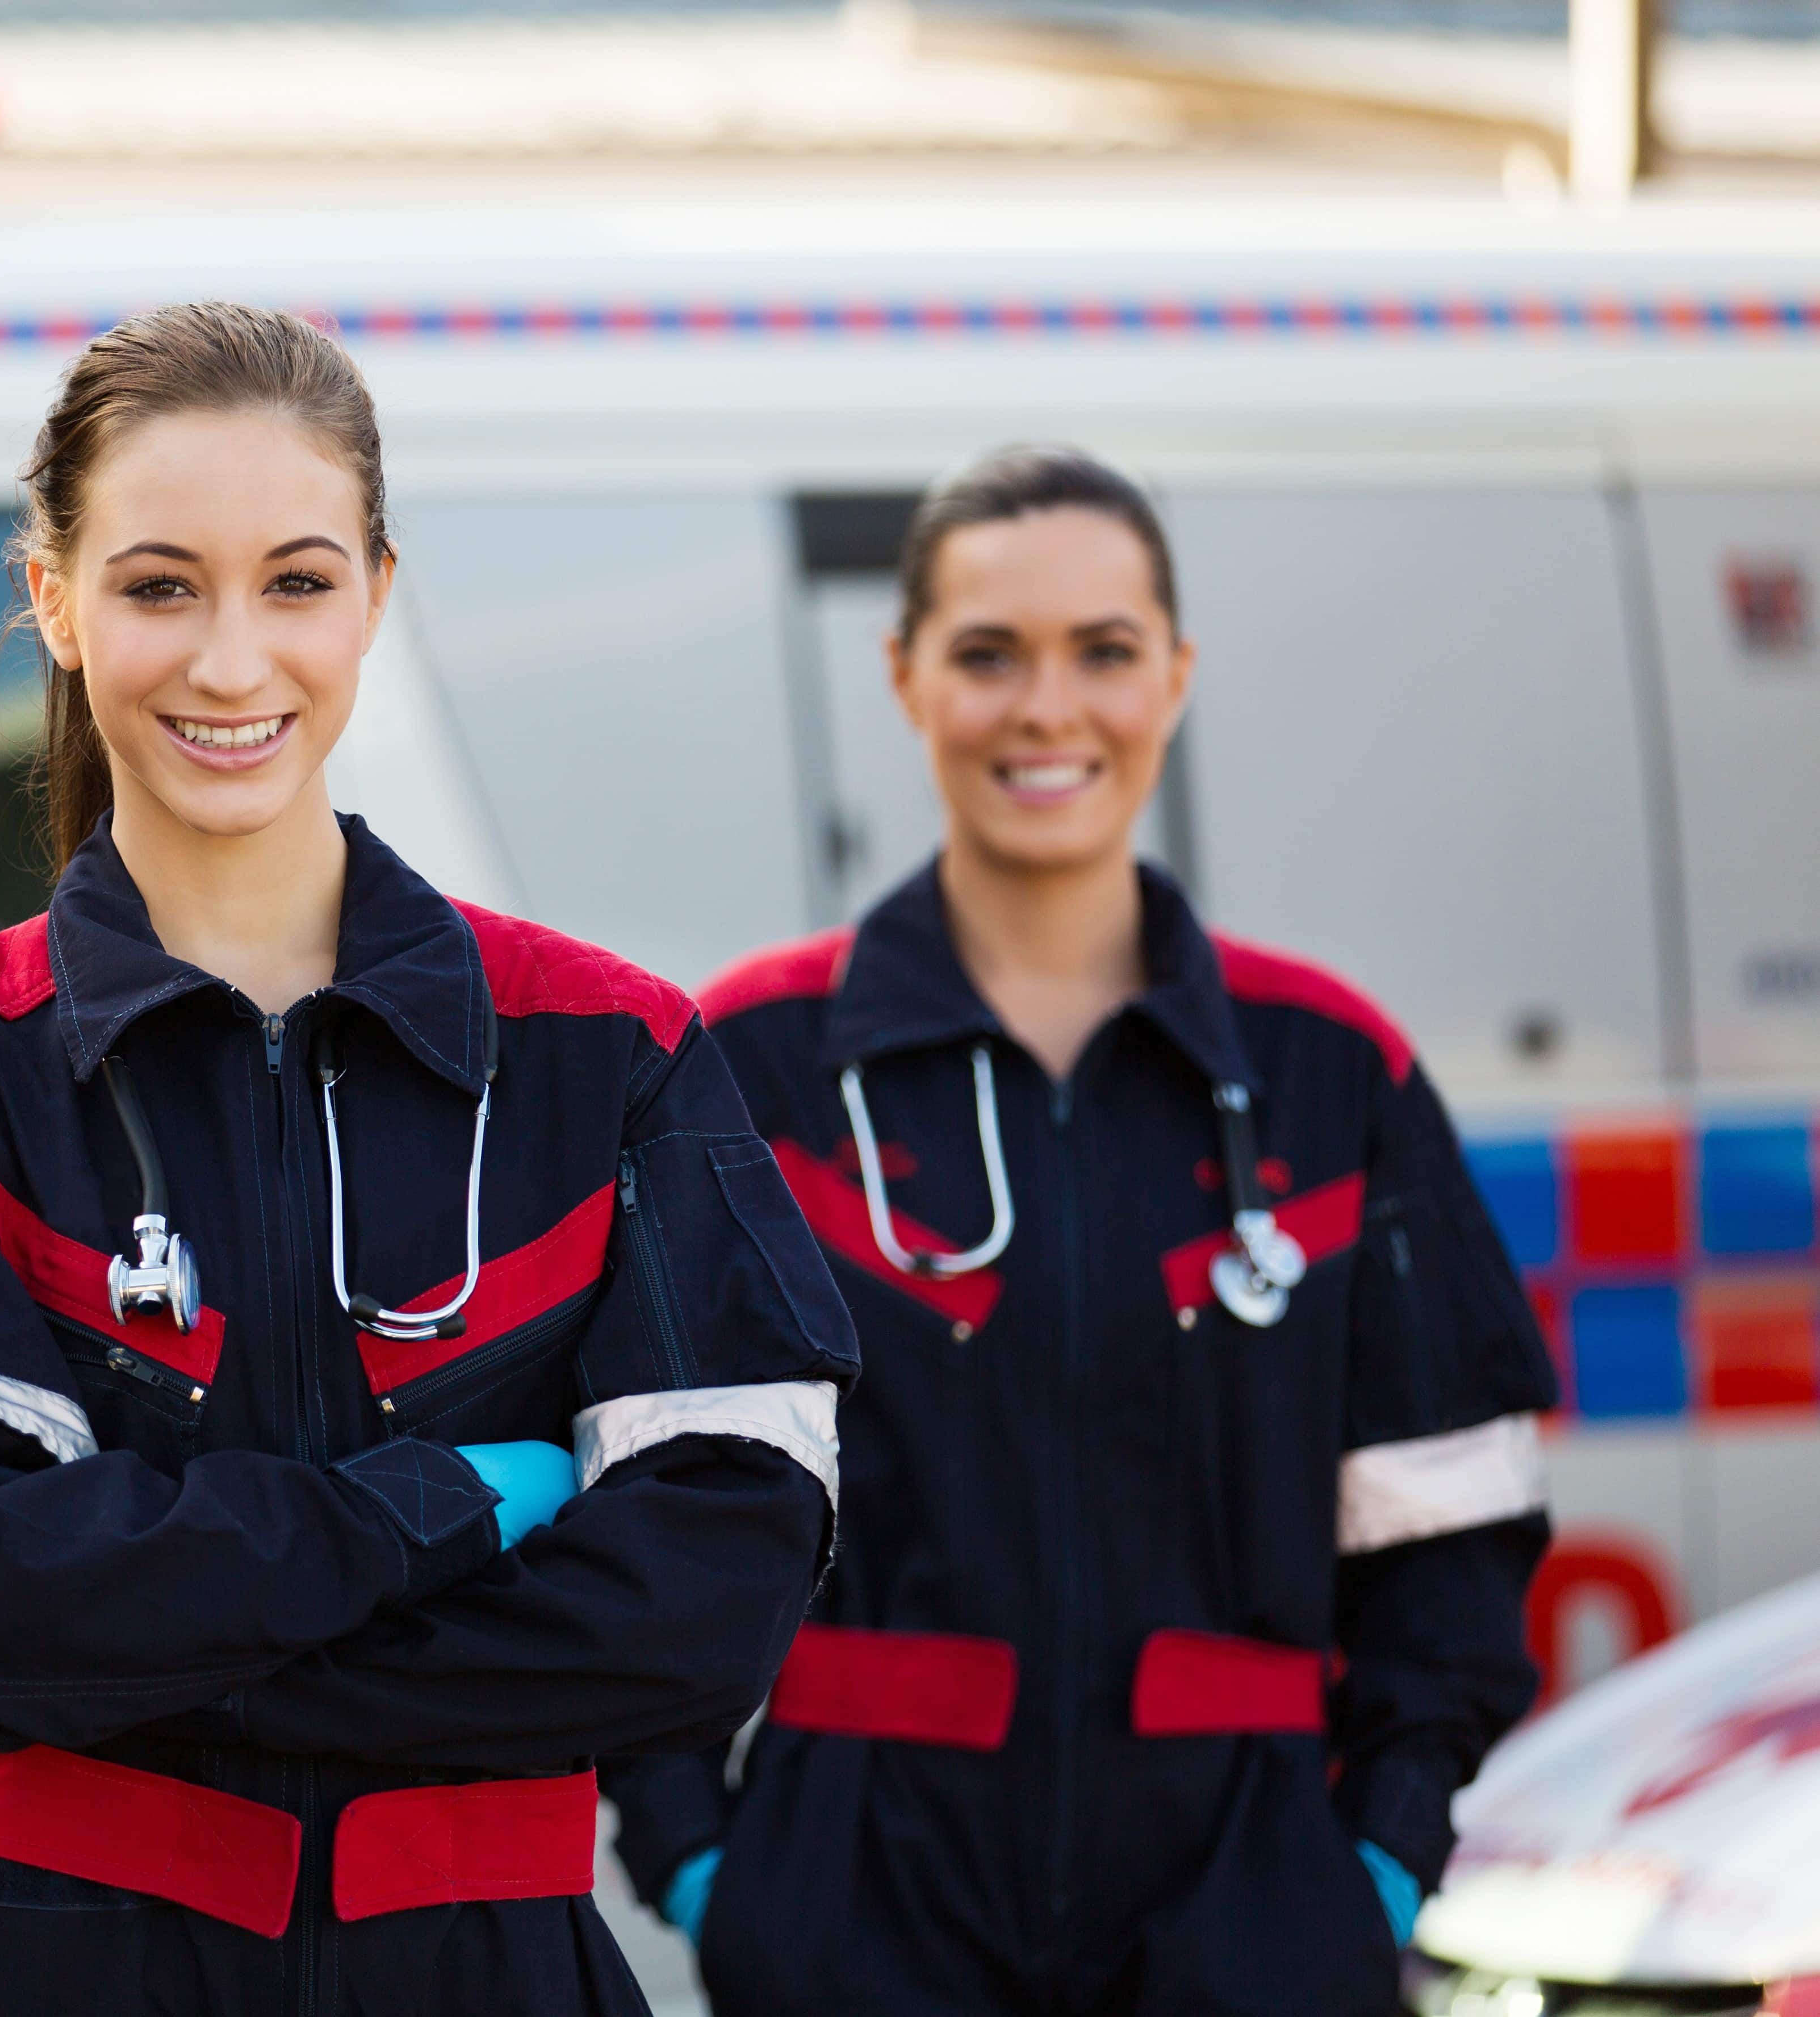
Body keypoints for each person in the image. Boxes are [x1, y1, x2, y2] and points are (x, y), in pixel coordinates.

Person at [0, 301, 859, 2015]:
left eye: (294, 582)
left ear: (376, 595)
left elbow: (708, 1608)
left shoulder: (613, 1058)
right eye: (159, 587)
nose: (231, 663)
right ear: (54, 600)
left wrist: (123, 1659)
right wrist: (437, 1504)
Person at [607, 446, 1556, 2015]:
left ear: (1174, 675)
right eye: (990, 655)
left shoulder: (1331, 1072)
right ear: (906, 675)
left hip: (1251, 1938)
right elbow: (639, 1506)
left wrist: (1370, 1873)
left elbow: (1451, 1533)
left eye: (1103, 651)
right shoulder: (753, 1066)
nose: (1049, 709)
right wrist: (714, 1871)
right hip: (857, 1933)